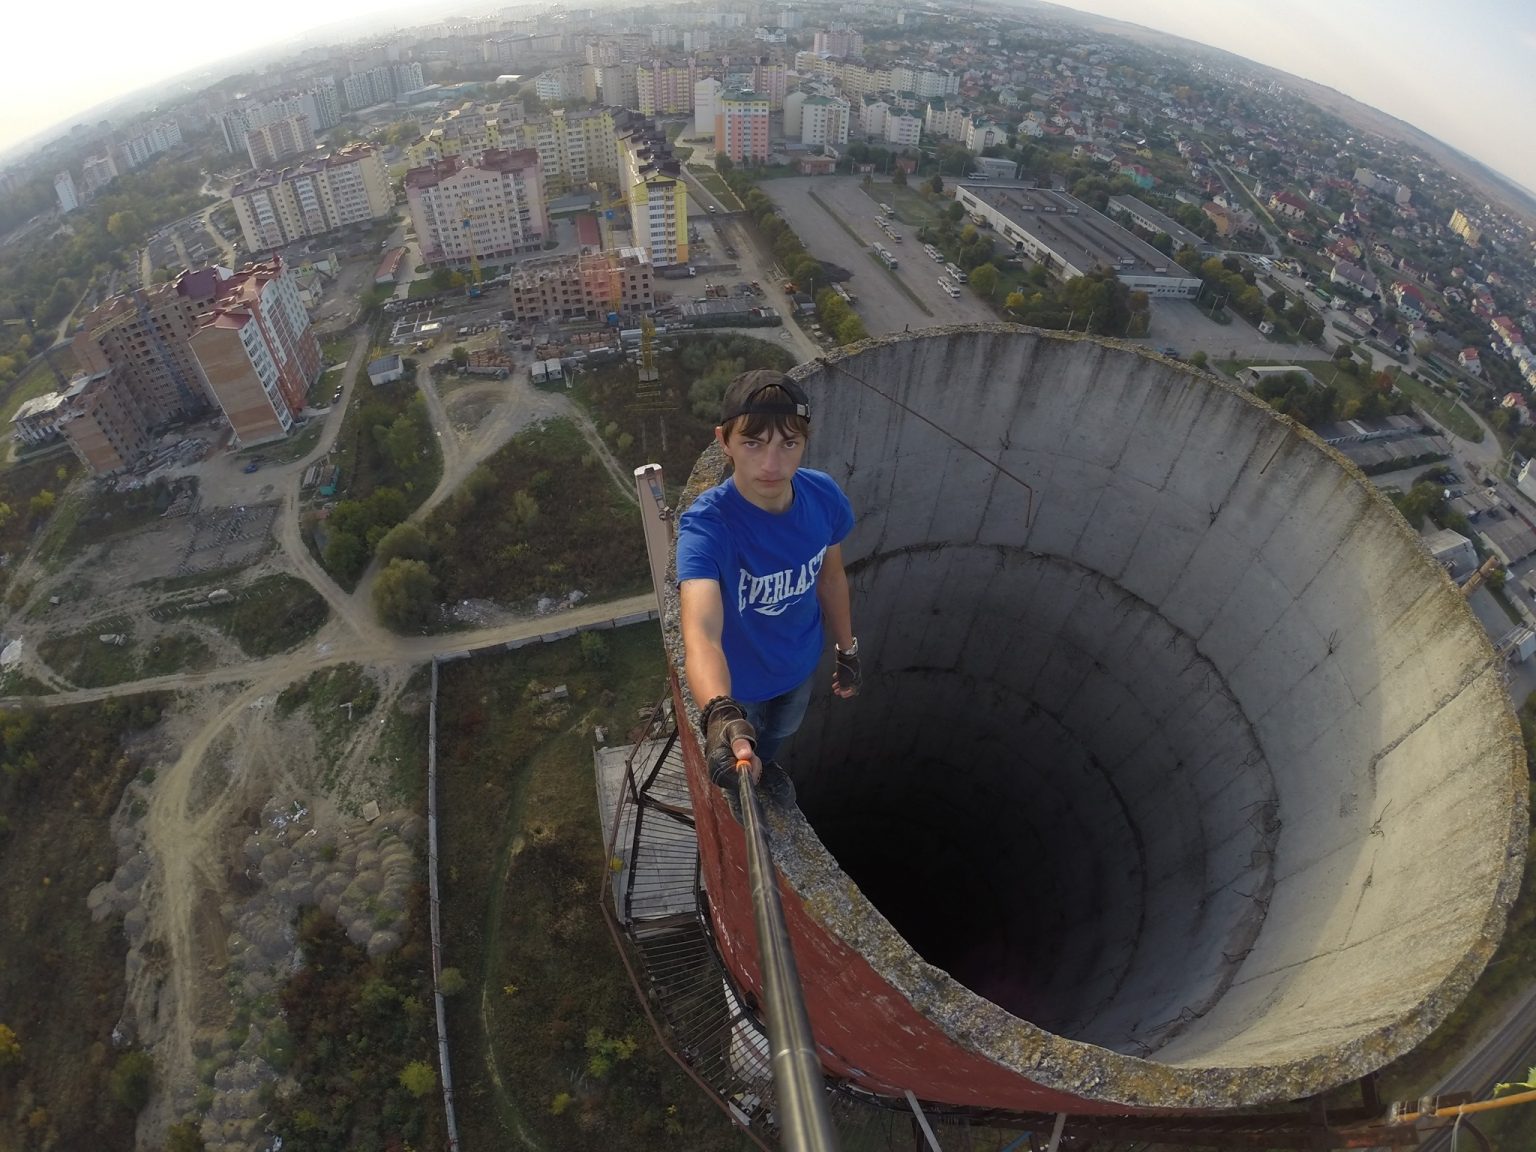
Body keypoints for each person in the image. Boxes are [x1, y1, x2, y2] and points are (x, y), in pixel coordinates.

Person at [676, 369, 861, 815]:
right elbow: (700, 631)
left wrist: (846, 650)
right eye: (753, 443)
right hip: (741, 686)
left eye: (788, 444)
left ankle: (769, 765)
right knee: (744, 745)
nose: (771, 466)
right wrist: (721, 713)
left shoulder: (822, 496)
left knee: (778, 737)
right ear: (724, 441)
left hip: (799, 669)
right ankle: (745, 788)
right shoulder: (708, 527)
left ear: (805, 443)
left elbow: (830, 577)